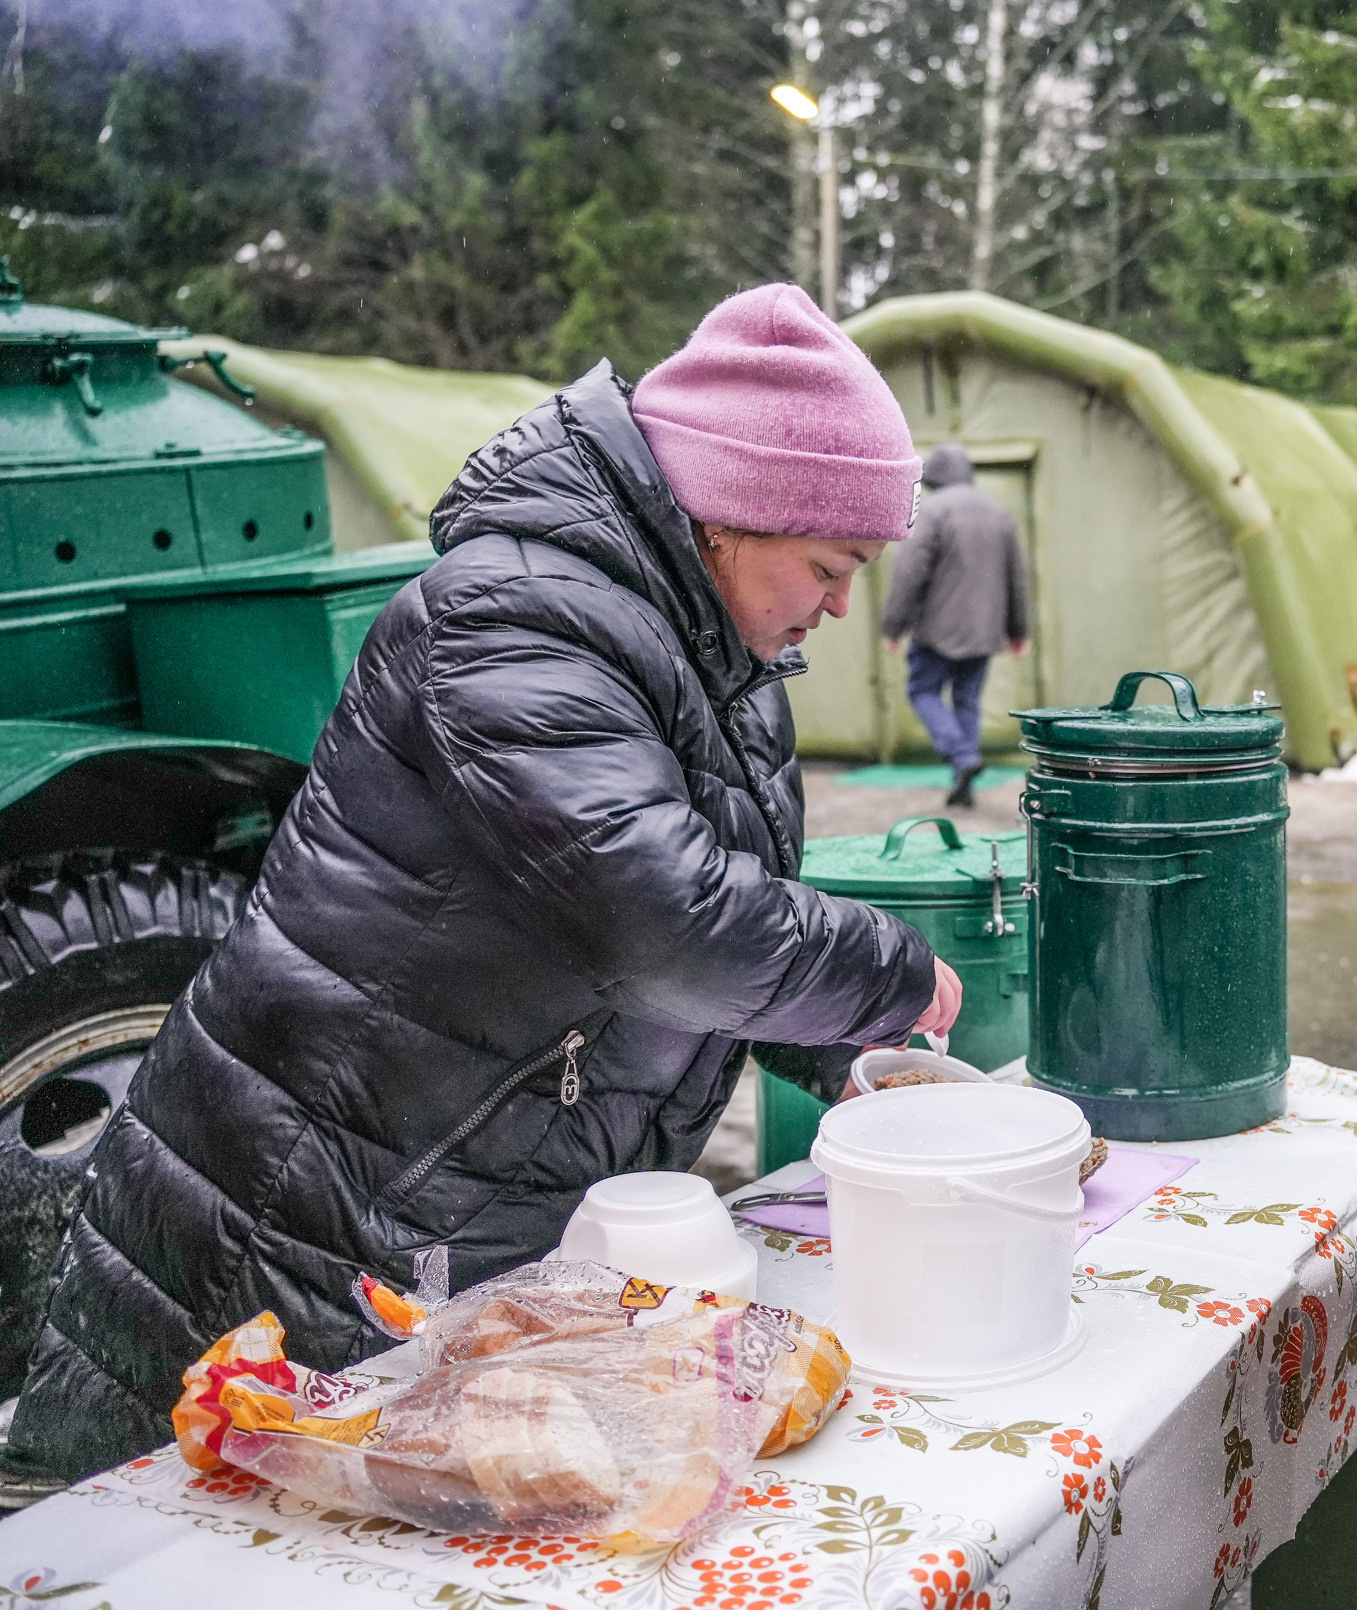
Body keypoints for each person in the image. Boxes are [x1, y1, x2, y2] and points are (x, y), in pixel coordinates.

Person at [9, 284, 962, 1481]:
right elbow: (660, 918)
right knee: (168, 1519)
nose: (841, 603)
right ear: (729, 515)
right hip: (304, 1214)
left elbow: (720, 921)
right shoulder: (514, 615)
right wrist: (888, 969)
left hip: (470, 1201)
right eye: (830, 563)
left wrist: (849, 1048)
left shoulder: (725, 660)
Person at [879, 443, 1030, 808]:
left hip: (936, 631)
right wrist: (1018, 630)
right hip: (984, 632)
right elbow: (1017, 577)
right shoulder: (999, 513)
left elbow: (909, 573)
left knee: (922, 692)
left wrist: (893, 627)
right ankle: (966, 782)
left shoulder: (931, 510)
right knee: (967, 700)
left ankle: (962, 758)